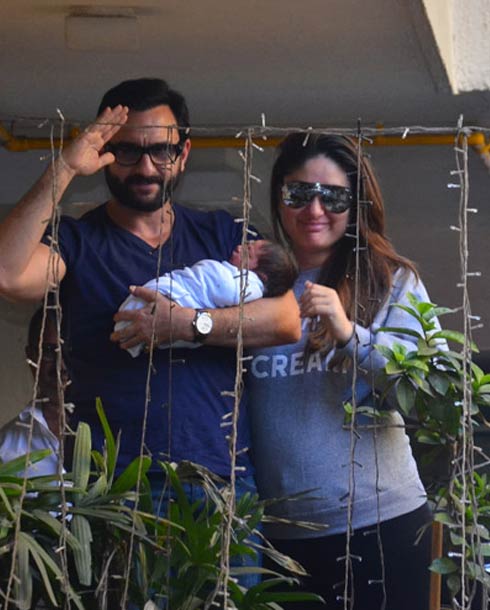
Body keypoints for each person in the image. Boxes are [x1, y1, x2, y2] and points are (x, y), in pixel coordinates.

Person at [0, 78, 300, 495]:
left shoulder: (225, 234)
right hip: (109, 489)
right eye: (127, 151)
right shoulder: (75, 241)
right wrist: (65, 168)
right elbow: (8, 274)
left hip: (218, 482)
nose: (145, 168)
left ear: (183, 154)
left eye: (161, 151)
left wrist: (188, 325)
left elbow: (286, 320)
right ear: (105, 153)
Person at [248, 134, 434, 610]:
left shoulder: (392, 280)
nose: (314, 209)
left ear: (357, 205)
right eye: (298, 193)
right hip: (282, 538)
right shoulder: (254, 286)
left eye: (332, 196)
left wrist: (350, 334)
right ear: (279, 198)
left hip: (383, 524)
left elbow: (424, 395)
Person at [116, 239, 299, 356]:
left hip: (180, 298)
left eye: (247, 252)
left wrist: (184, 322)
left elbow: (222, 286)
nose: (239, 246)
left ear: (262, 277)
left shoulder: (246, 286)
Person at [0, 308, 67, 476]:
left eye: (70, 351)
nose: (61, 366)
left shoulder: (114, 434)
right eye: (49, 351)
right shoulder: (6, 447)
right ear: (32, 357)